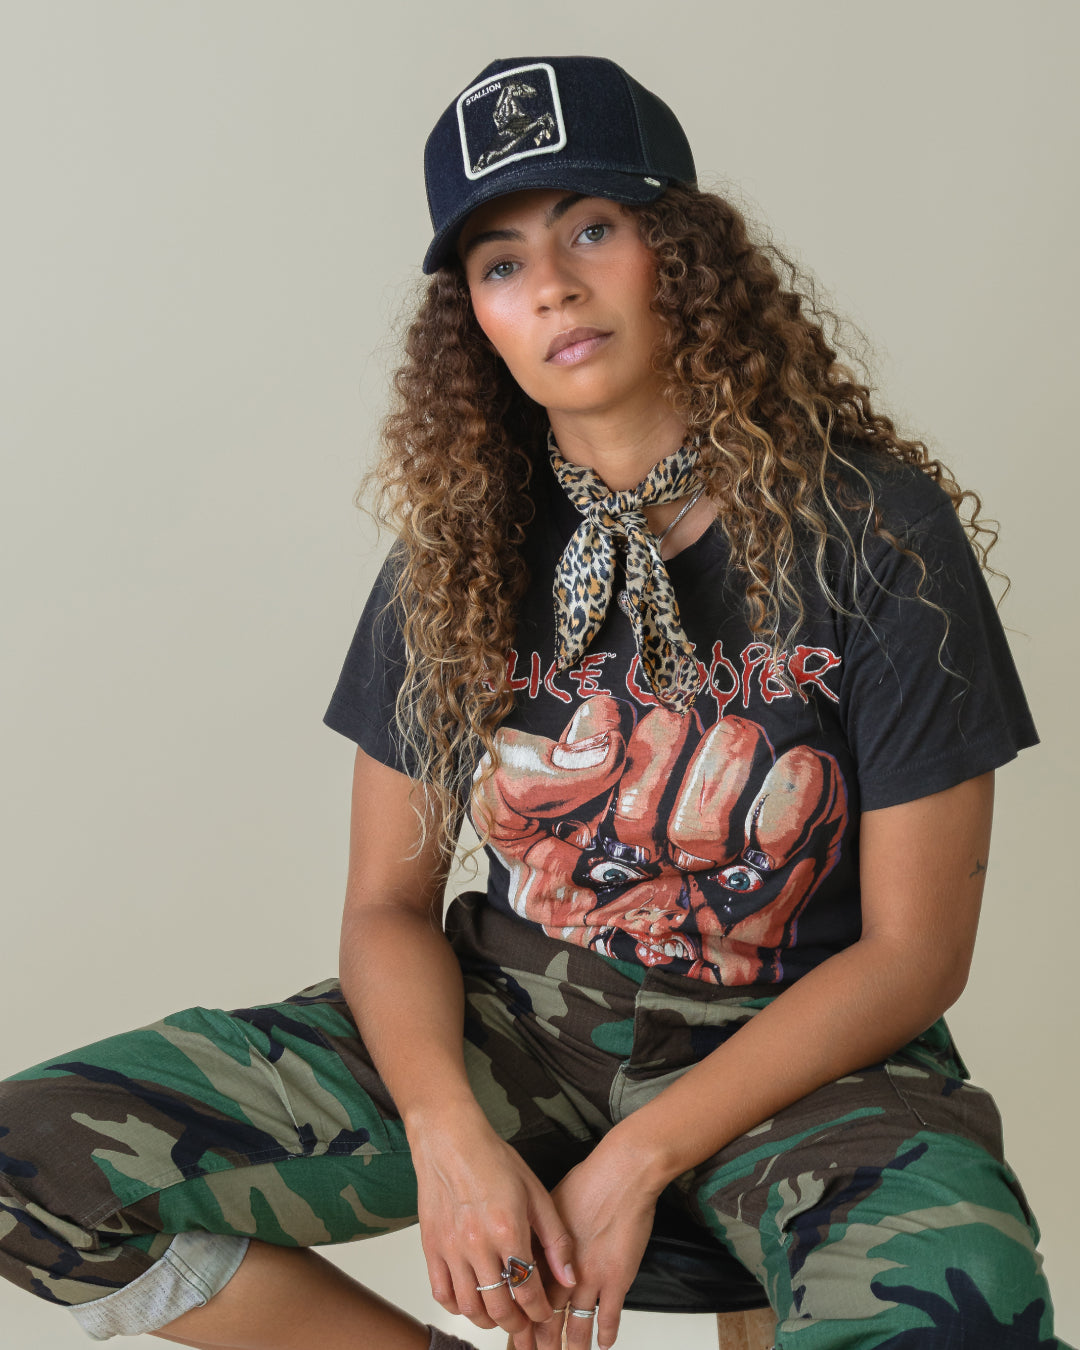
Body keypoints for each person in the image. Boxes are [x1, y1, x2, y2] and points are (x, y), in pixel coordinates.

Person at [0, 54, 1070, 1350]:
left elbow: (914, 953)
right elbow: (386, 906)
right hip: (516, 1029)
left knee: (964, 1311)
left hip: (814, 1067)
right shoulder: (459, 555)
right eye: (501, 262)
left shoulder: (873, 534)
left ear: (683, 254)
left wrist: (635, 1159)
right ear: (474, 319)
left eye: (594, 229)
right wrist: (449, 1134)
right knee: (26, 1161)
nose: (552, 281)